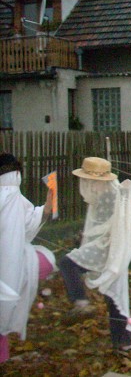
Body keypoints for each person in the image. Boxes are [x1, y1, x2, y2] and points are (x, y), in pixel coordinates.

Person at [58, 157, 131, 354]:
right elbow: (101, 224)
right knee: (114, 295)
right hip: (108, 249)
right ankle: (122, 342)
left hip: (109, 250)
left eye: (89, 181)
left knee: (67, 263)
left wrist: (94, 242)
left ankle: (80, 301)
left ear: (97, 181)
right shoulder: (107, 195)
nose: (87, 186)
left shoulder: (110, 196)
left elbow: (112, 226)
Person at [0, 153, 57, 364]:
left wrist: (49, 203)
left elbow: (30, 219)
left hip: (13, 269)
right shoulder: (12, 196)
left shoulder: (15, 197)